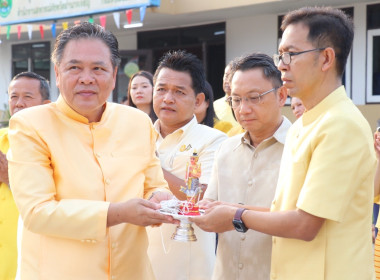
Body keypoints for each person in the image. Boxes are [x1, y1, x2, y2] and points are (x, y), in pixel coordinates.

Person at [192, 7, 376, 280]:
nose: (281, 64)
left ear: (326, 58)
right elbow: (284, 211)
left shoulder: (341, 124)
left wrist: (235, 215)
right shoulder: (306, 124)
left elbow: (305, 224)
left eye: (291, 54)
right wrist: (223, 209)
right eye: (281, 54)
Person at [8, 22, 176, 280]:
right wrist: (118, 213)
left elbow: (154, 183)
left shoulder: (137, 121)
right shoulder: (30, 125)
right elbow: (37, 212)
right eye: (74, 67)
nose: (86, 78)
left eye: (98, 68)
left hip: (131, 271)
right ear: (57, 72)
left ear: (114, 73)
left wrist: (160, 200)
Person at [200, 53, 291, 280]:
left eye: (254, 97)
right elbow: (210, 204)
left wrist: (235, 215)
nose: (243, 109)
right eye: (236, 99)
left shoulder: (300, 148)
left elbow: (301, 222)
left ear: (281, 95)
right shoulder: (225, 149)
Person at [147, 50, 227, 280]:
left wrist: (150, 164)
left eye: (179, 92)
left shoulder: (213, 140)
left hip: (187, 267)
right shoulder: (139, 136)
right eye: (161, 89)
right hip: (137, 262)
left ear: (198, 100)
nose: (167, 98)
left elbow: (200, 197)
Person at [0, 71, 50, 280]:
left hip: (30, 259)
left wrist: (9, 178)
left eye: (28, 97)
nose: (19, 103)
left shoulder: (54, 146)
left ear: (46, 104)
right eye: (14, 96)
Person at [213, 62, 240, 131]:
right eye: (226, 76)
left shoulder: (244, 106)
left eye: (231, 76)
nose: (227, 81)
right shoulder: (215, 105)